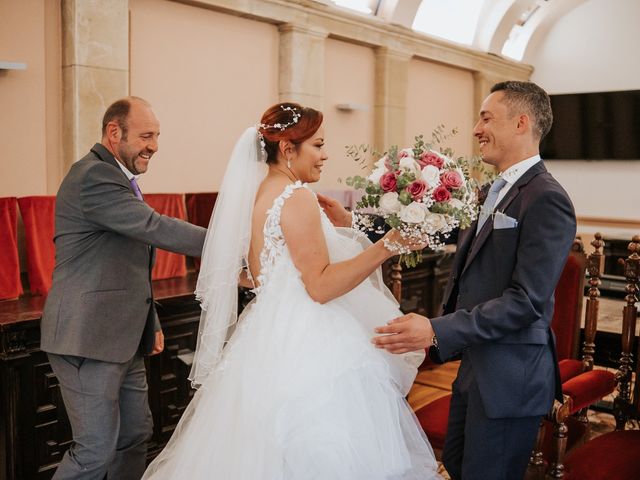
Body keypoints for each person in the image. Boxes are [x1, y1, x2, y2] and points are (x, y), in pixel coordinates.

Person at [142, 102, 441, 479]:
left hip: (266, 336)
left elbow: (252, 275)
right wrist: (388, 245)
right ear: (287, 148)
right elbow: (319, 285)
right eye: (317, 145)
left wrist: (346, 226)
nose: (325, 154)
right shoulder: (295, 197)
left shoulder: (259, 193)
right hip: (309, 339)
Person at [369, 81, 577, 480]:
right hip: (475, 368)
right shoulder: (490, 191)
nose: (476, 129)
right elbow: (438, 230)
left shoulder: (546, 198)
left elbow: (526, 302)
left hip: (510, 376)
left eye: (486, 118)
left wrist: (434, 329)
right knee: (462, 468)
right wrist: (355, 225)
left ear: (521, 123)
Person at [41, 96, 207, 480]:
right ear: (114, 132)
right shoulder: (93, 175)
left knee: (134, 435)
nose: (154, 146)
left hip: (125, 337)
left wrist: (152, 323)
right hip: (87, 337)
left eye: (157, 136)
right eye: (146, 135)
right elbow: (154, 227)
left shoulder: (118, 178)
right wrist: (230, 243)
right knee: (94, 450)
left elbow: (128, 262)